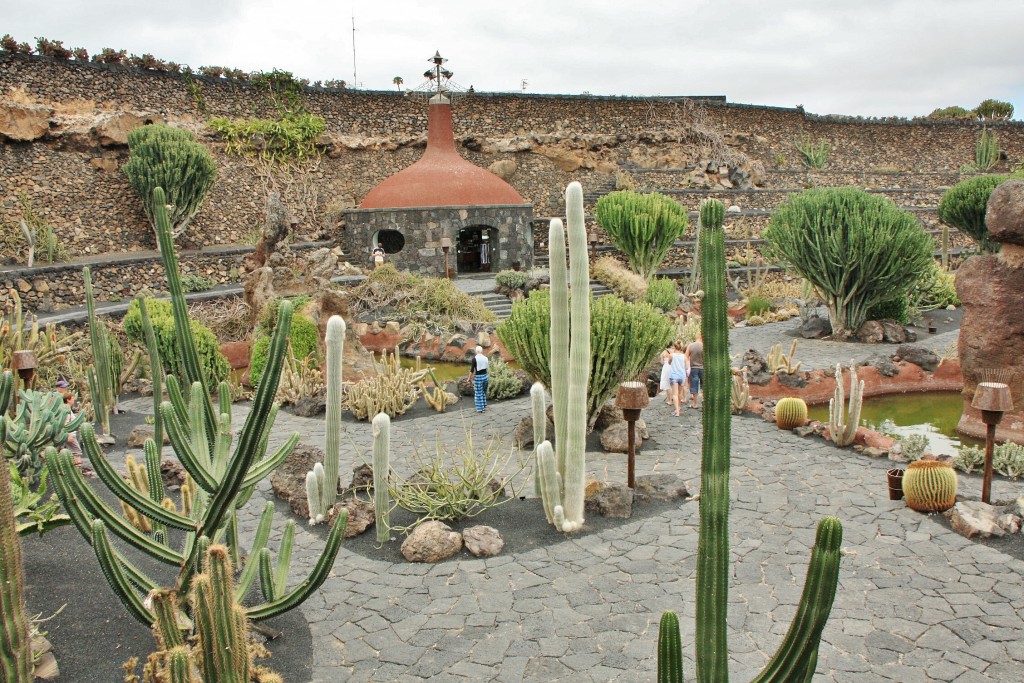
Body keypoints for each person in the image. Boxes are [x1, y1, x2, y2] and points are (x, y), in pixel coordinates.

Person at [667, 341, 689, 417]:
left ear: (674, 347)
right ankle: (678, 408)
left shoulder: (671, 355)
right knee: (679, 394)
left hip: (674, 376)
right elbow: (686, 367)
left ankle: (677, 411)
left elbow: (669, 363)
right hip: (682, 376)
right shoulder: (684, 356)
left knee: (675, 394)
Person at [469, 345, 490, 413]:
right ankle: (484, 404)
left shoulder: (474, 359)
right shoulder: (485, 358)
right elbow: (486, 368)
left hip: (478, 377)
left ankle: (480, 409)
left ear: (476, 351)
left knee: (478, 393)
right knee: (483, 391)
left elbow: (472, 370)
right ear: (481, 351)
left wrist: (469, 378)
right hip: (485, 376)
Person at [686, 333, 704, 409]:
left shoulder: (690, 346)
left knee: (694, 386)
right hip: (703, 368)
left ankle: (695, 404)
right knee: (704, 385)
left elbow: (686, 357)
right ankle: (704, 400)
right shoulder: (705, 346)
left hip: (694, 368)